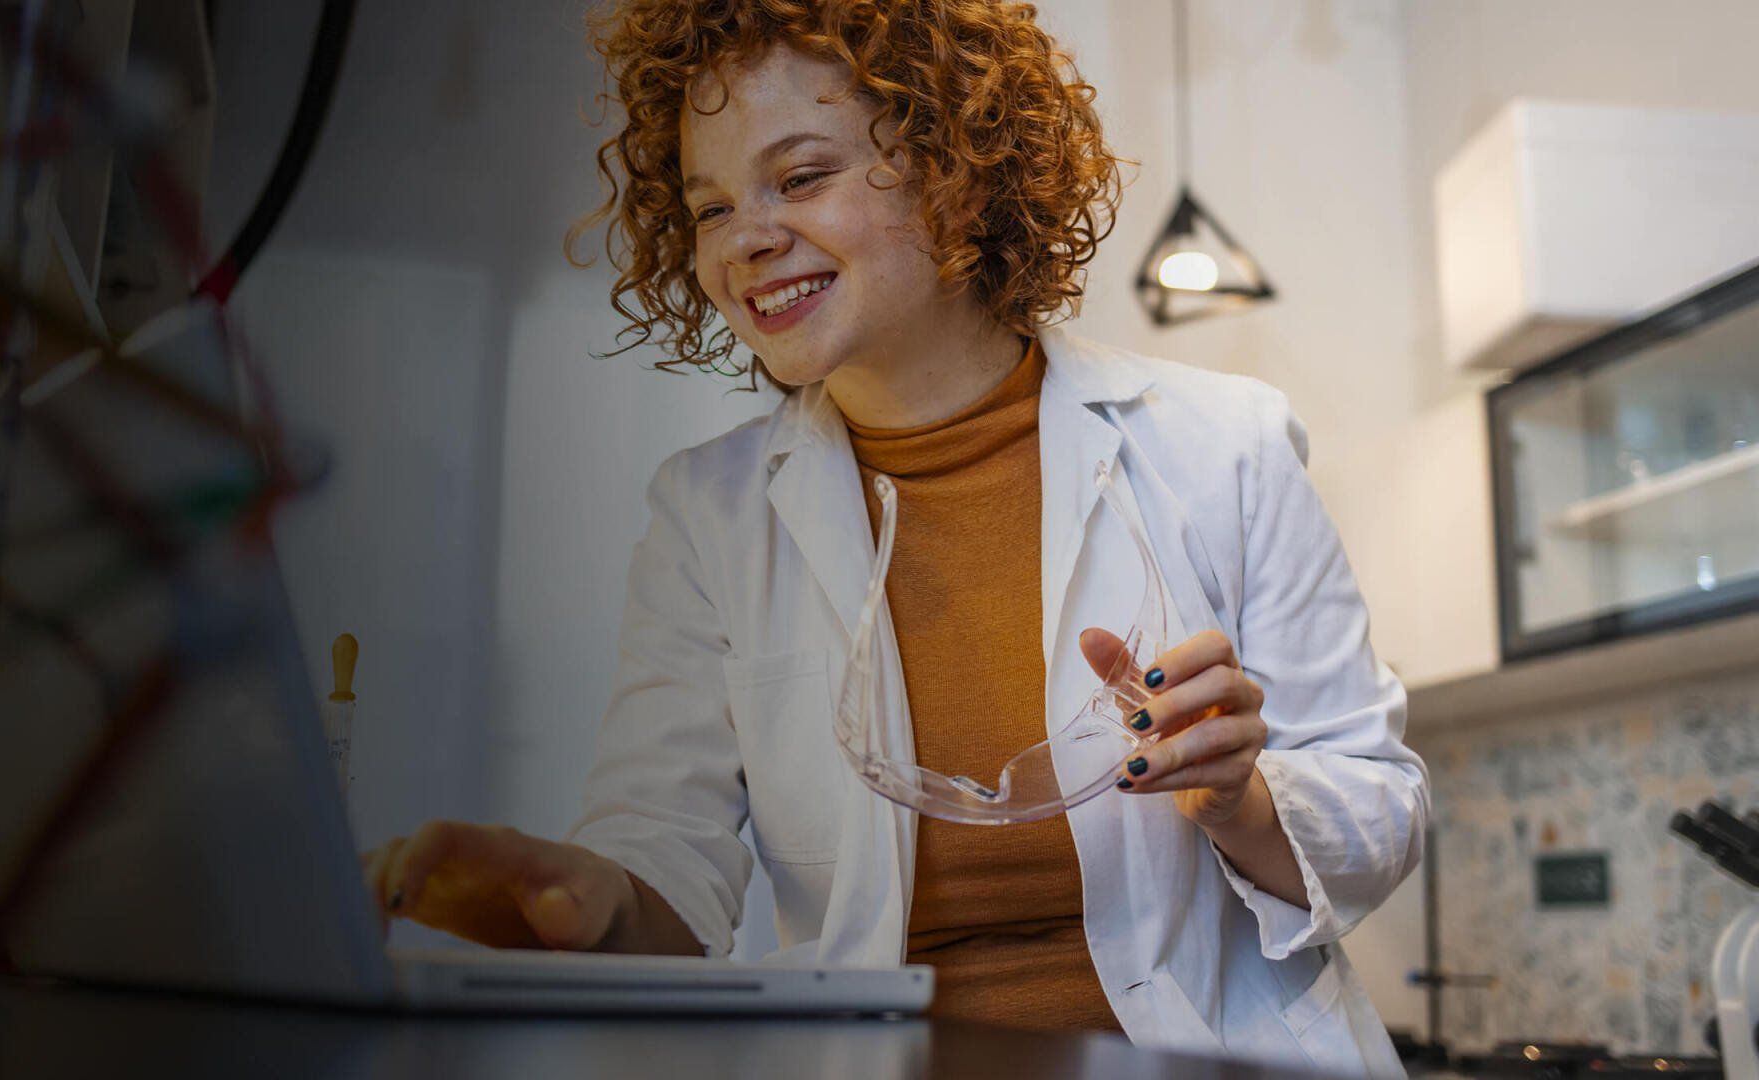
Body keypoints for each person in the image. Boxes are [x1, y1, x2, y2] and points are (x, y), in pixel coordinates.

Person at [362, 2, 1426, 1073]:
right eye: (711, 206)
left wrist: (1240, 801)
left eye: (799, 177)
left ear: (955, 172)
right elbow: (665, 873)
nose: (745, 239)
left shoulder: (1226, 444)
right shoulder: (707, 515)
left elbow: (1381, 814)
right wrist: (577, 902)